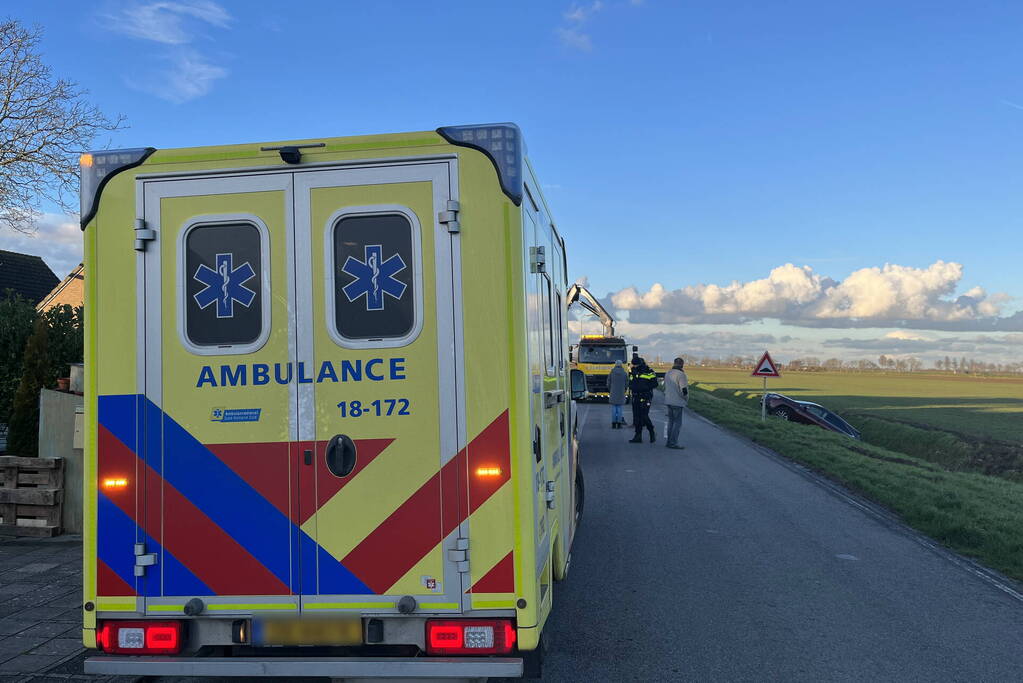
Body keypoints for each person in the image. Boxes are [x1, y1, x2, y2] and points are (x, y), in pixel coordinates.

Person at [628, 357, 658, 444]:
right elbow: (631, 382)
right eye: (633, 364)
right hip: (636, 396)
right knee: (637, 417)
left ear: (639, 364)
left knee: (644, 416)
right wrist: (632, 387)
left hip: (646, 396)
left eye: (634, 364)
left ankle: (651, 431)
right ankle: (638, 436)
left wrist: (645, 388)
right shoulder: (633, 371)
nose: (633, 366)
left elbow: (655, 383)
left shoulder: (648, 371)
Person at [663, 357, 689, 450]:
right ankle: (673, 442)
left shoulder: (668, 373)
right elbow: (684, 389)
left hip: (668, 400)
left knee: (671, 422)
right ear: (682, 364)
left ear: (674, 363)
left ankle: (669, 441)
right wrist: (686, 399)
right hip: (677, 402)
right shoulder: (681, 375)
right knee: (677, 423)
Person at [607, 360, 629, 428]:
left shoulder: (612, 372)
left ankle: (614, 423)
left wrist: (610, 389)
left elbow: (608, 382)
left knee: (614, 407)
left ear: (615, 364)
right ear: (621, 364)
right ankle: (619, 423)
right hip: (621, 392)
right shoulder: (624, 373)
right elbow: (627, 383)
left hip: (613, 391)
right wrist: (624, 390)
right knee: (619, 408)